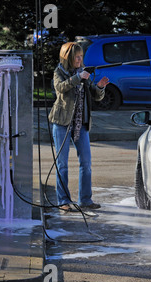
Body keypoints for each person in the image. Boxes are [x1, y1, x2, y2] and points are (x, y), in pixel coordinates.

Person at [48, 42, 109, 213]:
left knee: (86, 163)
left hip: (80, 123)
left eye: (81, 56)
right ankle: (63, 201)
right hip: (62, 123)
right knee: (62, 165)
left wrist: (100, 87)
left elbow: (95, 96)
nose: (80, 59)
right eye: (77, 56)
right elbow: (60, 88)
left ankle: (85, 200)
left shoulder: (83, 73)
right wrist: (77, 78)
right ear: (68, 57)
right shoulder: (59, 71)